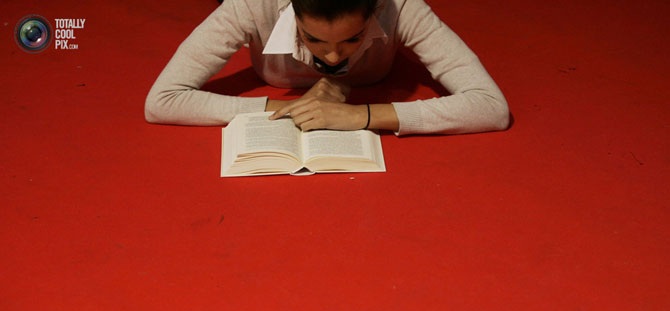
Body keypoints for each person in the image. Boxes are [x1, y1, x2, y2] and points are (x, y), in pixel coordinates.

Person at [145, 0, 509, 135]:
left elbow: (490, 106)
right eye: (313, 39)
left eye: (353, 39)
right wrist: (294, 107)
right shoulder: (250, 4)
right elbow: (162, 101)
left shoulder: (400, 6)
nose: (333, 58)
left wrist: (361, 115)